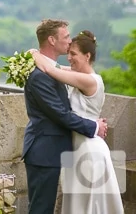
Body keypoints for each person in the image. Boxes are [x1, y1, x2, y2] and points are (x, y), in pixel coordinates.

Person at [30, 30, 124, 214]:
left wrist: (33, 53)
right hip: (77, 150)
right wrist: (34, 55)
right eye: (69, 53)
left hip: (89, 150)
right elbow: (54, 65)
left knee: (89, 207)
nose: (69, 58)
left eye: (73, 54)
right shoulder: (77, 75)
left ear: (87, 56)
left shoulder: (88, 80)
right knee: (80, 206)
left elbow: (50, 69)